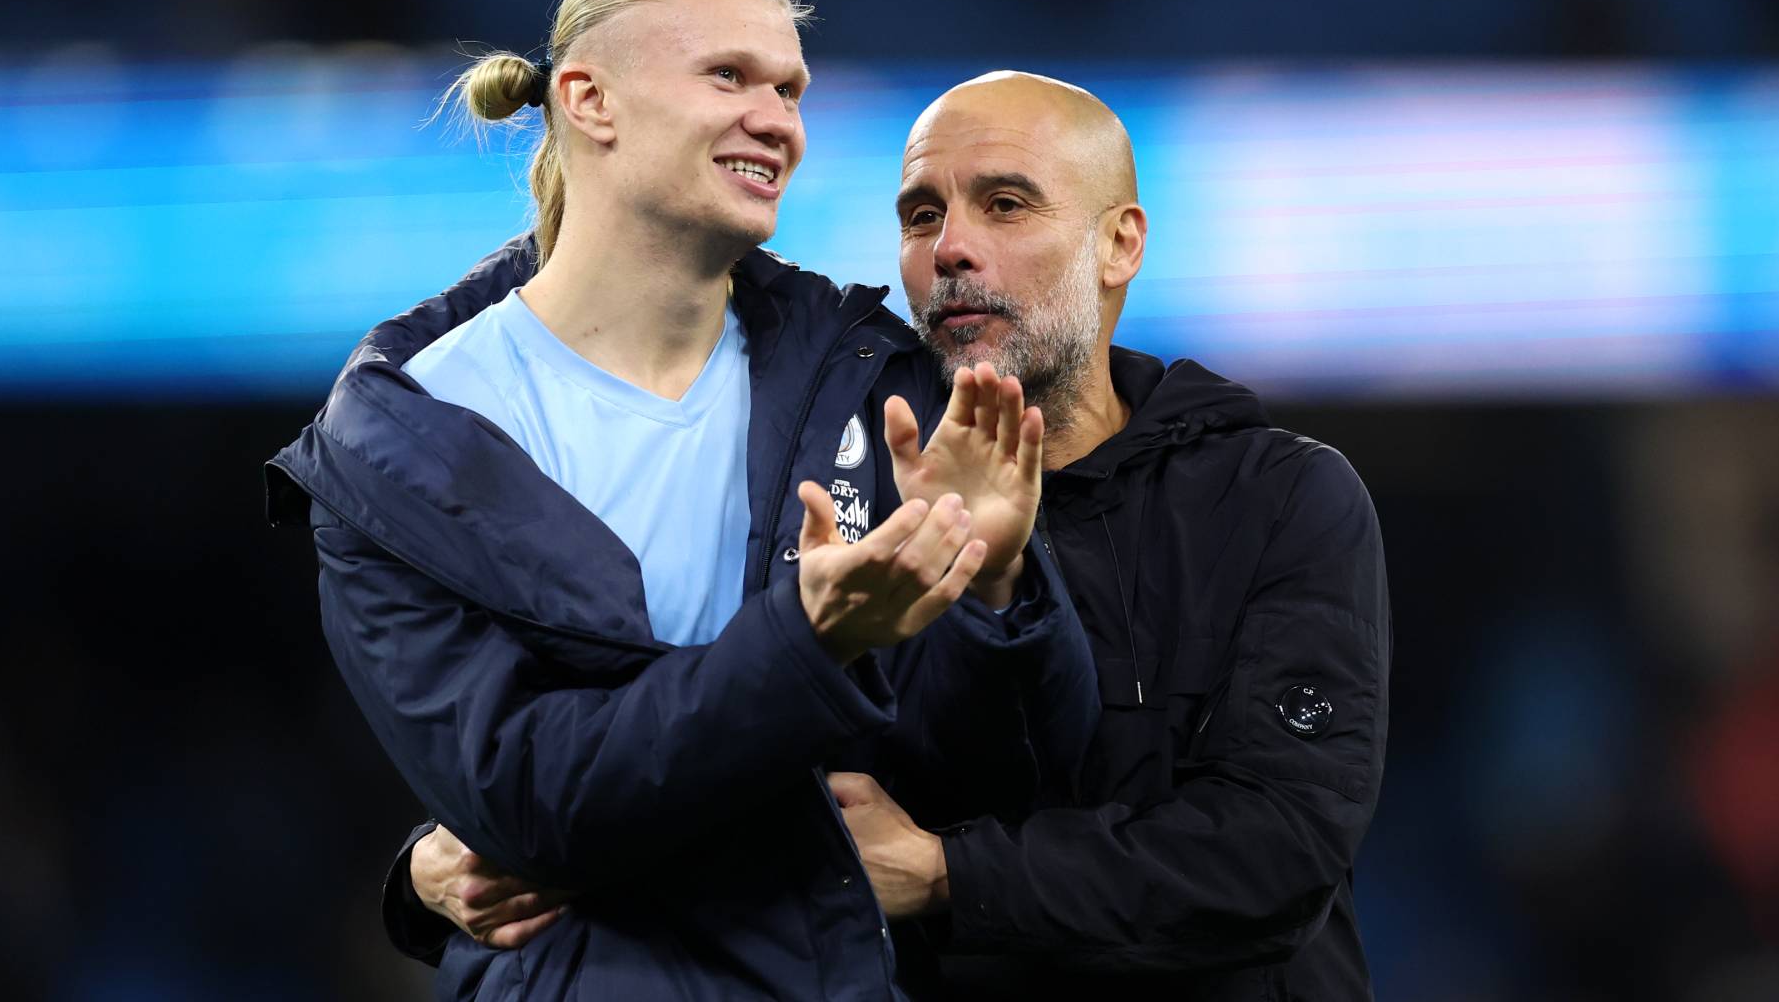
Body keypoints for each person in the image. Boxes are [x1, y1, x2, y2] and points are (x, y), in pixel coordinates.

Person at [399, 71, 1393, 1000]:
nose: (951, 248)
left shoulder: (1277, 497)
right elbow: (669, 719)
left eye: (1005, 205)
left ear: (1119, 245)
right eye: (922, 215)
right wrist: (436, 861)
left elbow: (1274, 853)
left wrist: (946, 873)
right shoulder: (827, 477)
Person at [264, 0, 1096, 1001]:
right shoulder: (401, 443)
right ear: (589, 101)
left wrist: (995, 589)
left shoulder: (867, 385)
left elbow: (1007, 779)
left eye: (789, 90)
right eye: (729, 76)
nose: (778, 120)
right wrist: (812, 640)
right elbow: (534, 806)